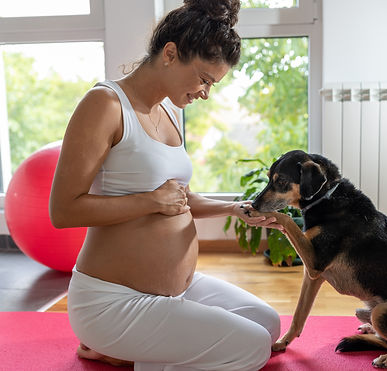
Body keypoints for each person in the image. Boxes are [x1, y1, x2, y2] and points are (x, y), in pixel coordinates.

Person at [49, 1, 282, 370]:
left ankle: (132, 355)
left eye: (213, 84)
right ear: (171, 53)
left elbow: (178, 199)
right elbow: (63, 210)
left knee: (268, 325)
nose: (206, 93)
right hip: (113, 301)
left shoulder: (171, 110)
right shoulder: (105, 104)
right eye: (204, 79)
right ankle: (122, 349)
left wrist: (231, 208)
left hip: (178, 290)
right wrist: (149, 201)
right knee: (251, 348)